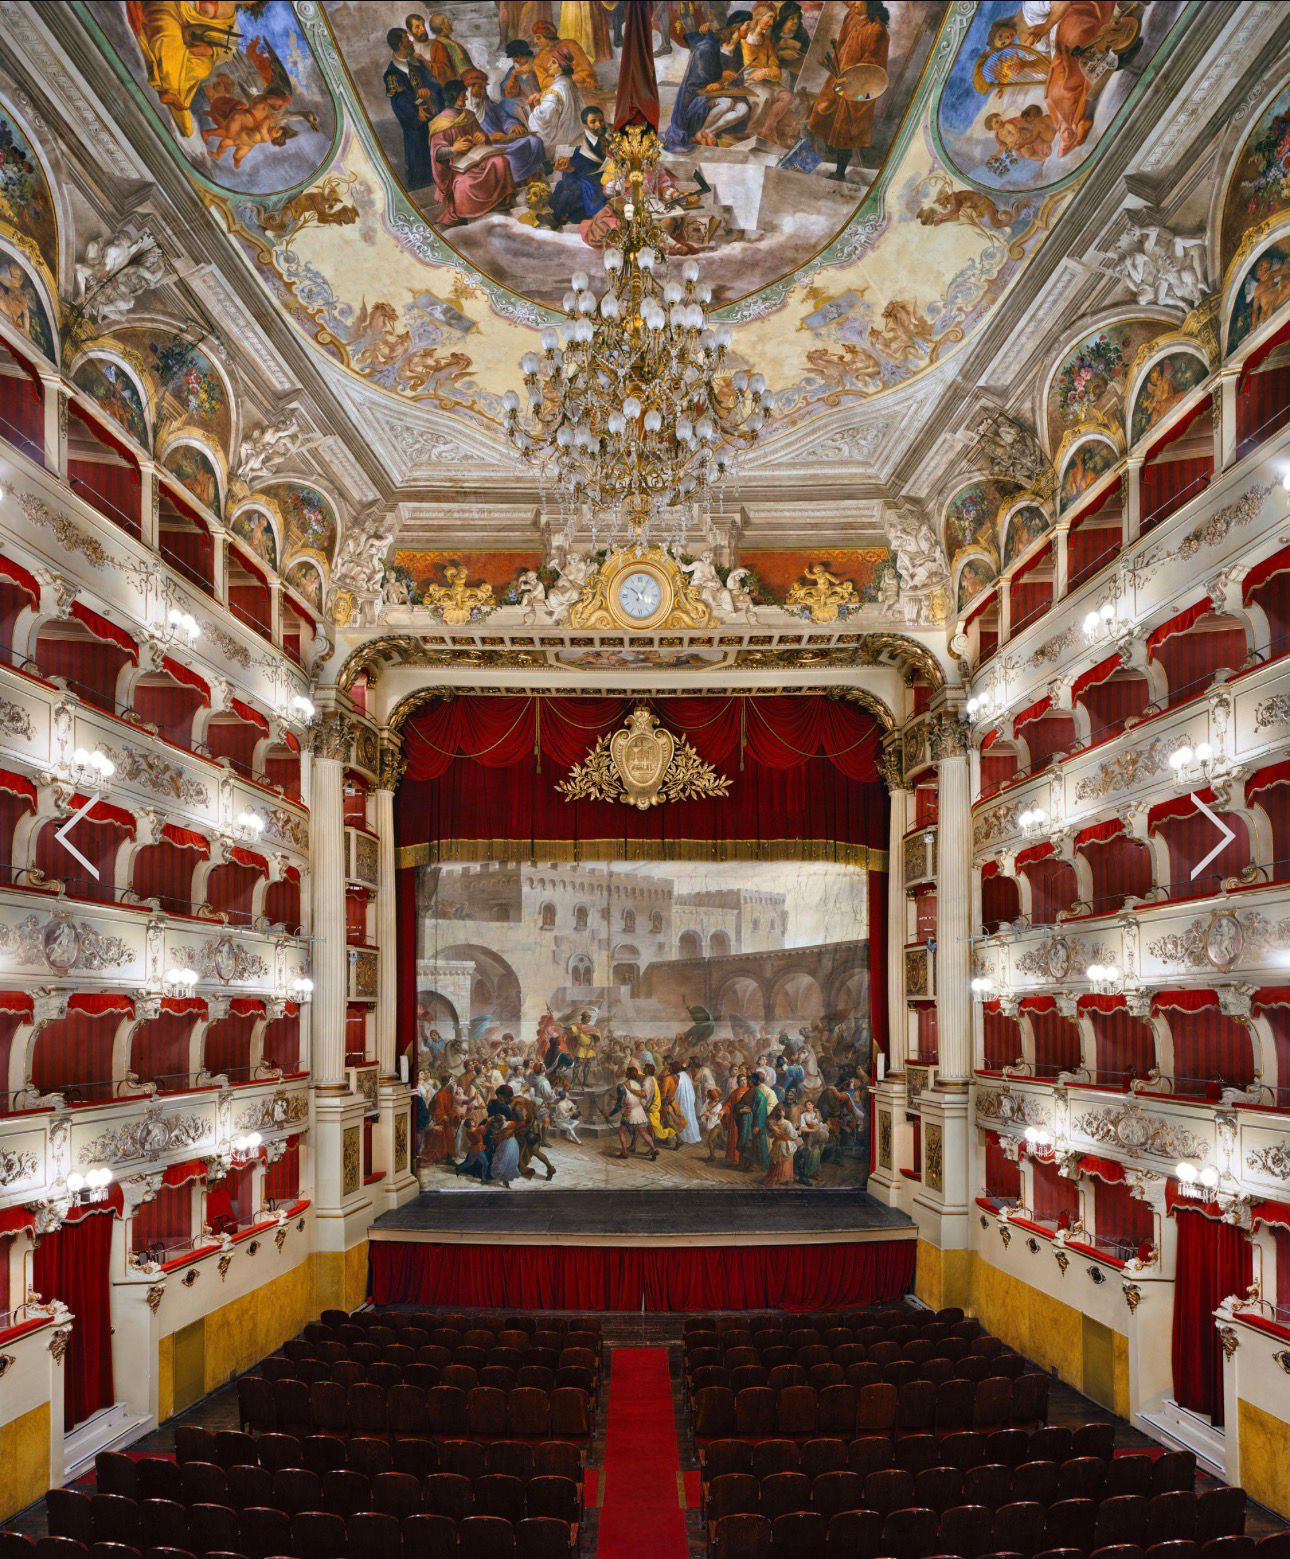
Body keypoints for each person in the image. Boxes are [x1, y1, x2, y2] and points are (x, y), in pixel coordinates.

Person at [808, 0, 890, 181]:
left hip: (858, 85)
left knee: (845, 128)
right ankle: (829, 146)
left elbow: (871, 62)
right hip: (839, 76)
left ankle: (839, 171)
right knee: (822, 109)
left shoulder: (877, 29)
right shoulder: (851, 16)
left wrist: (852, 79)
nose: (851, 3)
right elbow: (842, 43)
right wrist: (837, 63)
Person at [427, 80, 517, 226]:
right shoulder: (440, 123)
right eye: (463, 95)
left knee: (501, 161)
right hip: (457, 167)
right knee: (465, 184)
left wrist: (483, 137)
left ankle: (500, 203)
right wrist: (453, 149)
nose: (466, 98)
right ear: (453, 96)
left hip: (478, 158)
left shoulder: (469, 115)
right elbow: (436, 153)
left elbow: (482, 136)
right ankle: (471, 216)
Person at [663, 11, 751, 152]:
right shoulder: (712, 45)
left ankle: (708, 132)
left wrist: (734, 78)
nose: (750, 29)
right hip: (702, 96)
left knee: (743, 109)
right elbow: (702, 76)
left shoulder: (738, 49)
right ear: (736, 26)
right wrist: (721, 79)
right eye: (748, 25)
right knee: (726, 103)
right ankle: (702, 132)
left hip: (725, 92)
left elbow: (739, 77)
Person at [461, 67, 547, 184]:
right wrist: (489, 138)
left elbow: (504, 118)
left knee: (534, 141)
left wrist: (512, 126)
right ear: (468, 88)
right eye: (479, 88)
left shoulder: (487, 104)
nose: (482, 91)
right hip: (487, 146)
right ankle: (522, 182)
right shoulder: (462, 113)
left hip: (503, 139)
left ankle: (535, 176)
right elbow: (464, 140)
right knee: (512, 154)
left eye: (483, 88)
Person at [384, 27, 441, 188]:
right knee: (419, 159)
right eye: (407, 40)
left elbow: (433, 84)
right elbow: (399, 101)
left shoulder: (415, 65)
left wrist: (429, 92)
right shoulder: (392, 74)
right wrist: (416, 111)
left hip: (432, 118)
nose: (411, 42)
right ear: (399, 45)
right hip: (416, 126)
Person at [550, 104, 609, 227]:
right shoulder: (584, 141)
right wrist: (568, 165)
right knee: (564, 185)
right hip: (586, 178)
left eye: (601, 120)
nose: (599, 124)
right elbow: (581, 160)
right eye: (593, 122)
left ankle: (557, 219)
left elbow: (596, 166)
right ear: (586, 126)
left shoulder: (607, 140)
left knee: (573, 187)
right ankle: (557, 216)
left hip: (600, 180)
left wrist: (572, 168)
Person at [532, 19, 600, 102]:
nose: (535, 41)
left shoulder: (571, 45)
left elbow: (585, 72)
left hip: (582, 90)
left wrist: (566, 80)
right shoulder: (538, 59)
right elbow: (545, 83)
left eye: (538, 38)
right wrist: (568, 80)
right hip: (556, 93)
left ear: (548, 36)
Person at [529, 54, 584, 156]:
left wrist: (534, 106)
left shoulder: (555, 90)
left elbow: (544, 117)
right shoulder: (569, 83)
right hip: (576, 137)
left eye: (554, 62)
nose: (549, 65)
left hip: (562, 144)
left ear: (562, 67)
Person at [607, 1064, 657, 1159]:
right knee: (643, 1132)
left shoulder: (621, 1086)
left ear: (627, 1074)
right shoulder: (638, 1085)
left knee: (621, 1132)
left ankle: (624, 1152)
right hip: (639, 1112)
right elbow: (633, 1097)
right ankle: (654, 1149)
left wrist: (609, 1114)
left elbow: (619, 1105)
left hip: (630, 1113)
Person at [414, 11, 476, 85]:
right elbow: (467, 72)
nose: (451, 23)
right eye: (448, 21)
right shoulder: (449, 45)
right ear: (443, 26)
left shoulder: (435, 43)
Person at [764, 1104, 801, 1187]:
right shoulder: (787, 1123)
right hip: (785, 1144)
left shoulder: (775, 1124)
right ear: (783, 1113)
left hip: (777, 1144)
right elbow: (792, 1135)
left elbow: (771, 1135)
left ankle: (776, 1176)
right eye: (783, 1110)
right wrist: (797, 1132)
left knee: (777, 1161)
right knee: (786, 1160)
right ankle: (784, 1178)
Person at [672, 1058, 702, 1145]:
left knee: (683, 1118)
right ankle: (691, 1137)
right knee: (689, 1118)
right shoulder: (685, 1076)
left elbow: (676, 1090)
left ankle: (683, 1138)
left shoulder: (678, 1076)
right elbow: (691, 1092)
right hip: (687, 1102)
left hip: (681, 1102)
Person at [700, 1087, 725, 1161]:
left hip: (717, 1125)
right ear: (710, 1098)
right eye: (714, 1099)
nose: (716, 1101)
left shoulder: (719, 1106)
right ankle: (713, 1155)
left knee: (710, 1141)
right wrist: (704, 1113)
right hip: (712, 1125)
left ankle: (712, 1156)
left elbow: (717, 1118)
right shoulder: (707, 1102)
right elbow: (702, 1111)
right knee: (716, 1140)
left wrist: (709, 1115)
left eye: (717, 1099)